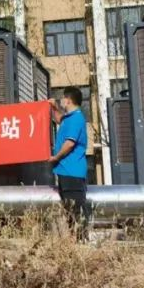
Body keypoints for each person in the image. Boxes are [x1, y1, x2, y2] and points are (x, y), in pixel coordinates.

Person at [48, 87, 90, 239]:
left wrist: (56, 157)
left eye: (63, 98)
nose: (61, 100)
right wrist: (54, 108)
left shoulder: (76, 119)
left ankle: (81, 241)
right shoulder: (69, 118)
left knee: (75, 211)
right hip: (66, 171)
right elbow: (60, 120)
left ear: (69, 100)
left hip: (72, 172)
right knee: (69, 209)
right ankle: (75, 241)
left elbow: (69, 144)